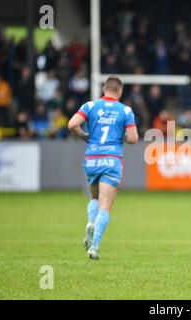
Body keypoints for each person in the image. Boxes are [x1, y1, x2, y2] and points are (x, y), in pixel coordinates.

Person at [68, 76, 138, 260]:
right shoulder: (125, 110)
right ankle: (95, 247)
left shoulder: (90, 106)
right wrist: (119, 136)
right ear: (120, 91)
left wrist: (85, 136)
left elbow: (72, 124)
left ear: (104, 88)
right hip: (111, 160)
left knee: (94, 197)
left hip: (91, 159)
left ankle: (91, 222)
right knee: (105, 205)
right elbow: (133, 138)